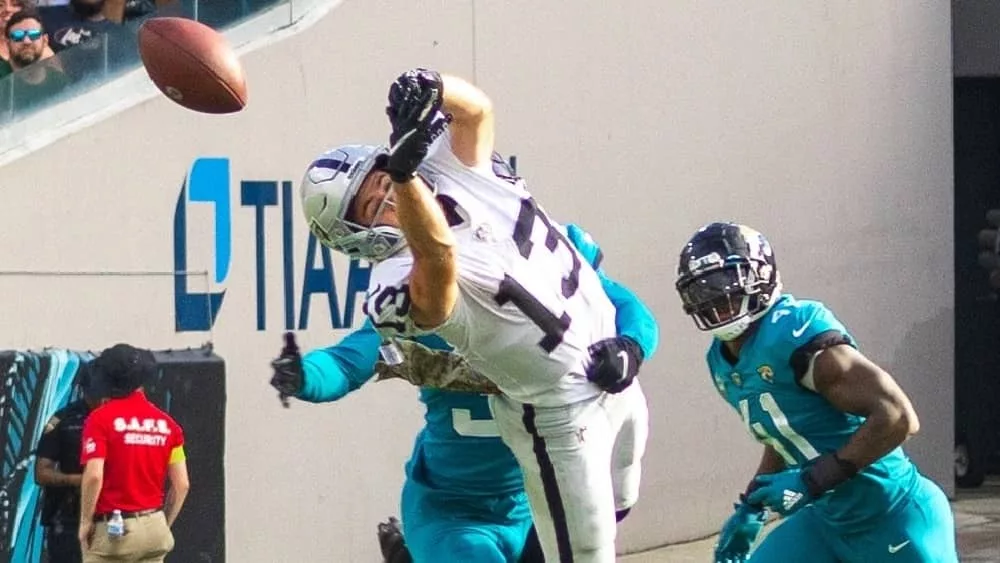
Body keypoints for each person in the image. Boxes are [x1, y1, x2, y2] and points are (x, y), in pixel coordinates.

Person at [299, 68, 652, 562]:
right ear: (356, 237)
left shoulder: (461, 173)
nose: (388, 201)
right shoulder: (398, 283)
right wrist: (402, 177)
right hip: (531, 434)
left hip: (603, 390)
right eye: (373, 206)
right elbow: (435, 262)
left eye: (381, 182)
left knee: (621, 502)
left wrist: (434, 86)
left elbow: (477, 111)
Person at [672, 222, 959, 563]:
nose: (713, 299)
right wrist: (752, 506)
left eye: (722, 283)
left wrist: (813, 480)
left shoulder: (793, 332)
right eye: (701, 290)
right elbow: (782, 431)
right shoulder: (721, 362)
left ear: (759, 277)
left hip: (892, 516)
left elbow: (898, 417)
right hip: (825, 524)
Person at [77, 344, 190, 563]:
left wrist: (85, 523)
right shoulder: (169, 426)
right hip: (155, 526)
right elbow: (182, 484)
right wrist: (162, 523)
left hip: (114, 530)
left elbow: (93, 476)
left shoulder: (100, 420)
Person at [35, 363, 104, 563]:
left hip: (108, 515)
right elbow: (41, 472)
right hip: (67, 516)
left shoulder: (119, 420)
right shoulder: (63, 419)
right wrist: (79, 480)